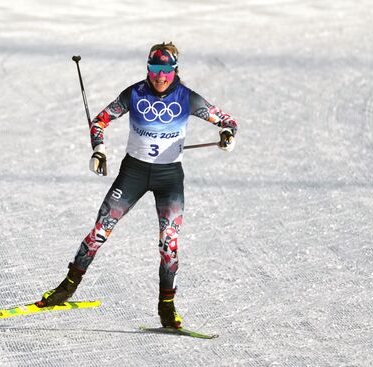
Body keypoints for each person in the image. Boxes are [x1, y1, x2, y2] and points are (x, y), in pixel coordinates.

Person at [36, 42, 238, 329]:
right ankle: (66, 288)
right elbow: (100, 121)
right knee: (100, 230)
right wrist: (99, 150)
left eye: (166, 70)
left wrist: (228, 134)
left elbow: (228, 121)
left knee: (169, 245)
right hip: (133, 173)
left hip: (169, 178)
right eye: (154, 69)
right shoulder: (134, 94)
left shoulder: (187, 98)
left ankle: (167, 307)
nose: (159, 76)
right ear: (148, 68)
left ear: (174, 70)